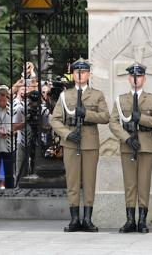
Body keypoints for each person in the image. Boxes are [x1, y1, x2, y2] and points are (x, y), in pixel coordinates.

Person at [50, 58, 109, 233]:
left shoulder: (97, 95)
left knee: (89, 181)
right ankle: (75, 219)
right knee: (73, 181)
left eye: (83, 72)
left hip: (90, 142)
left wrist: (88, 114)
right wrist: (67, 134)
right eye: (77, 72)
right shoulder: (65, 95)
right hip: (71, 142)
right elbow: (55, 120)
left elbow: (106, 117)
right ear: (73, 74)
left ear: (88, 74)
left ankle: (88, 219)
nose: (80, 75)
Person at [110, 62, 152, 233]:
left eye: (139, 76)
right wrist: (126, 139)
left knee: (144, 182)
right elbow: (113, 122)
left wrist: (141, 118)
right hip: (128, 146)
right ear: (128, 78)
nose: (136, 79)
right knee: (130, 183)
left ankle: (142, 220)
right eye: (133, 76)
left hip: (146, 144)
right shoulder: (121, 100)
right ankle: (130, 220)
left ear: (144, 78)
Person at [0, 85, 23, 189]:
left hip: (9, 145)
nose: (2, 98)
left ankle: (10, 191)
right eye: (0, 95)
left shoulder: (13, 110)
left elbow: (19, 124)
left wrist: (9, 132)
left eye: (4, 95)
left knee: (9, 173)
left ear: (8, 97)